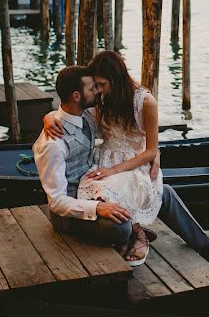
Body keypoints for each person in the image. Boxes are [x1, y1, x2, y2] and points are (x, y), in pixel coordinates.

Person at [42, 51, 209, 273]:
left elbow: (151, 148)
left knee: (163, 192)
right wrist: (48, 117)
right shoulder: (98, 104)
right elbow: (68, 111)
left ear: (116, 78)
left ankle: (208, 248)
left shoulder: (145, 101)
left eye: (101, 85)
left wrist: (153, 154)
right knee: (150, 197)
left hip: (128, 166)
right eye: (95, 86)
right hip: (101, 171)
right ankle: (137, 231)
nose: (98, 91)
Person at [33, 66, 135, 254]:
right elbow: (56, 202)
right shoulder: (52, 145)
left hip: (96, 187)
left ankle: (205, 245)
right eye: (91, 89)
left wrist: (154, 153)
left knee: (154, 189)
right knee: (121, 228)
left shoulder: (87, 115)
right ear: (76, 96)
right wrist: (97, 207)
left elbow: (125, 128)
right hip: (68, 214)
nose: (96, 92)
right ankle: (132, 234)